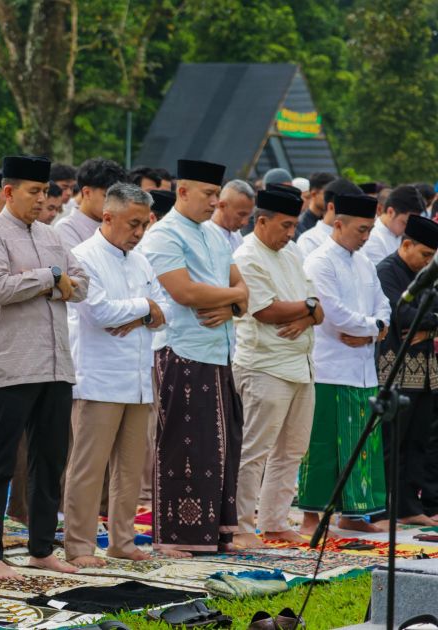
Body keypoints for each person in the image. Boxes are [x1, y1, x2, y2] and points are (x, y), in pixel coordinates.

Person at [0, 155, 88, 578]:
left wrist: (46, 281)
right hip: (9, 364)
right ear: (8, 192)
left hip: (55, 366)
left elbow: (81, 285)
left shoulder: (51, 235)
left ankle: (41, 548)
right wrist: (51, 278)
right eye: (34, 191)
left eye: (45, 192)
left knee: (50, 461)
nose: (42, 199)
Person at [140, 159, 248, 556]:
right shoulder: (164, 234)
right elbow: (184, 292)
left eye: (217, 194)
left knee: (221, 446)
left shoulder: (216, 236)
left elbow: (244, 292)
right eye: (208, 194)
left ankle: (215, 532)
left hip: (218, 351)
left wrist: (232, 303)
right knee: (185, 447)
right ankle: (174, 535)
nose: (215, 202)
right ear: (182, 191)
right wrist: (235, 298)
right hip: (182, 351)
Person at [63, 183, 162, 568]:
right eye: (133, 224)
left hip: (137, 378)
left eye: (144, 225)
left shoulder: (141, 260)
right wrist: (145, 308)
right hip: (99, 378)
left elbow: (166, 311)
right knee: (89, 467)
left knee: (131, 468)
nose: (139, 233)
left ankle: (122, 540)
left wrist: (141, 313)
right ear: (108, 217)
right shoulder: (84, 256)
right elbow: (99, 313)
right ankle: (79, 545)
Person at [230, 190, 325, 548]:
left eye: (294, 225)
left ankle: (273, 521)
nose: (290, 233)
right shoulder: (246, 256)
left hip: (301, 364)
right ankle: (240, 525)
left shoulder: (293, 252)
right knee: (254, 450)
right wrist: (308, 309)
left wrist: (306, 312)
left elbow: (319, 309)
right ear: (262, 221)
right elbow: (265, 311)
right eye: (285, 225)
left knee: (292, 450)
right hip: (264, 365)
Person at [299, 193, 390, 535]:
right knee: (322, 445)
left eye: (370, 230)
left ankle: (353, 514)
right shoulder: (319, 262)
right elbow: (335, 315)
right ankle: (311, 517)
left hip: (363, 370)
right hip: (330, 368)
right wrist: (374, 329)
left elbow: (384, 306)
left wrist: (371, 331)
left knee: (360, 445)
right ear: (339, 224)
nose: (366, 237)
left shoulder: (365, 262)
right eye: (361, 230)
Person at [374, 214, 438, 527]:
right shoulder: (386, 271)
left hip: (425, 371)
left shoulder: (425, 275)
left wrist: (428, 326)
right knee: (393, 441)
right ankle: (385, 505)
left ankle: (410, 506)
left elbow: (426, 314)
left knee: (418, 441)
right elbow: (401, 315)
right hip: (396, 371)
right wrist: (428, 323)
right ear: (407, 244)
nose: (427, 262)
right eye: (425, 254)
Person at [55, 158, 127, 249]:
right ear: (87, 193)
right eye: (107, 197)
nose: (115, 204)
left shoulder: (117, 224)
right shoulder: (67, 228)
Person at [296, 179, 364, 256]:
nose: (356, 215)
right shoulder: (310, 240)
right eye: (351, 209)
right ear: (331, 207)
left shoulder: (356, 238)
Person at [361, 186, 427, 265]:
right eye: (405, 223)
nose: (408, 229)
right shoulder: (373, 238)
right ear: (391, 212)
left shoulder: (397, 234)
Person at [208, 180, 257, 252]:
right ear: (222, 206)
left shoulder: (236, 234)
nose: (245, 222)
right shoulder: (205, 236)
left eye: (249, 216)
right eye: (241, 214)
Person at [296, 172, 338, 239]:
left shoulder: (332, 221)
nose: (332, 199)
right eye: (328, 195)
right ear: (314, 194)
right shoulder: (301, 224)